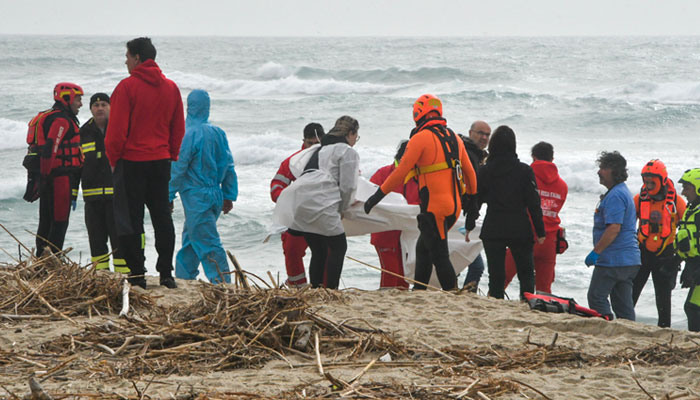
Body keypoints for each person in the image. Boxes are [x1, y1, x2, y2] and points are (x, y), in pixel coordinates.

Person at [364, 94, 477, 291]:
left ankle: (453, 293)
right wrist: (473, 201)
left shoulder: (420, 138)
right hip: (454, 207)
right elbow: (470, 173)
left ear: (418, 114)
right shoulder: (454, 138)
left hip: (435, 208)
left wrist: (376, 196)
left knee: (440, 255)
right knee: (423, 248)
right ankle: (419, 290)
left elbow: (401, 172)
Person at [105, 37, 185, 289]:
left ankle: (137, 273)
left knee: (131, 220)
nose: (125, 60)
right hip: (161, 161)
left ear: (138, 58)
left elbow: (116, 131)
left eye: (127, 56)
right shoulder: (171, 88)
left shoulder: (127, 87)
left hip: (131, 162)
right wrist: (171, 154)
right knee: (162, 217)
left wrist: (112, 159)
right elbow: (178, 128)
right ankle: (166, 274)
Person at [283, 116, 360, 289]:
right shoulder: (348, 152)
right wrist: (342, 209)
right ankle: (331, 290)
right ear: (350, 133)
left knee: (319, 250)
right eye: (356, 136)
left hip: (301, 201)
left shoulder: (321, 149)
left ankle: (316, 290)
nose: (356, 140)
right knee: (339, 247)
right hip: (321, 204)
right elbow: (347, 187)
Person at [169, 89, 237, 284]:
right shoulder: (218, 132)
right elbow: (229, 166)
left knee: (208, 243)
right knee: (192, 240)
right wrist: (228, 194)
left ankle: (223, 283)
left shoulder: (187, 133)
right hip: (215, 193)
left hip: (196, 196)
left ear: (188, 107)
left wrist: (168, 193)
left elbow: (178, 167)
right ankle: (184, 278)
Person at [475, 126, 545, 300]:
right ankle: (526, 303)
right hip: (519, 227)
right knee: (526, 273)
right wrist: (540, 231)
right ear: (513, 145)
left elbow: (475, 199)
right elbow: (534, 203)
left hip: (493, 227)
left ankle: (496, 304)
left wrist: (469, 223)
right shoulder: (524, 170)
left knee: (496, 276)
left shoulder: (485, 170)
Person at [504, 142, 568, 294]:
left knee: (502, 278)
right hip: (549, 240)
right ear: (552, 158)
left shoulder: (524, 176)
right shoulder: (562, 186)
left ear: (533, 157)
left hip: (524, 236)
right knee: (544, 289)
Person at [30, 82, 84, 256]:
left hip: (48, 178)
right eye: (78, 99)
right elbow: (51, 148)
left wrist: (42, 179)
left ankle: (41, 259)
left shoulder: (51, 116)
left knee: (45, 221)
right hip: (59, 179)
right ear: (67, 98)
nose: (80, 104)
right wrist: (45, 177)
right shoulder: (61, 120)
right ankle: (52, 260)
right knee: (59, 222)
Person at [585, 151, 640, 321]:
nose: (599, 171)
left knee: (596, 297)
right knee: (623, 305)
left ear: (615, 171)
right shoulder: (621, 191)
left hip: (614, 260)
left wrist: (596, 252)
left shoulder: (616, 195)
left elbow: (614, 228)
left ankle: (606, 327)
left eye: (603, 168)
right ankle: (628, 333)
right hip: (629, 260)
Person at [631, 159, 685, 328]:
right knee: (631, 292)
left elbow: (688, 228)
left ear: (662, 180)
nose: (648, 185)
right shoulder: (639, 200)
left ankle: (664, 329)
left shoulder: (677, 202)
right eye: (645, 181)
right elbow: (625, 223)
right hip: (642, 253)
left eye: (651, 181)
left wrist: (680, 256)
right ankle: (623, 323)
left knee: (663, 298)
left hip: (666, 255)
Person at [270, 122, 325, 287]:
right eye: (310, 143)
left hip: (322, 214)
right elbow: (276, 187)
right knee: (292, 249)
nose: (313, 147)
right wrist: (288, 200)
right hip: (298, 216)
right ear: (303, 141)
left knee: (328, 252)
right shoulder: (293, 162)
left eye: (317, 143)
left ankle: (324, 287)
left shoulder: (330, 159)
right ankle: (297, 286)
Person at [79, 93, 129, 273]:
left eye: (104, 104)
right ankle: (101, 276)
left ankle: (124, 277)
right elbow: (77, 165)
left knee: (119, 240)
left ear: (111, 107)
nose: (99, 108)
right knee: (96, 240)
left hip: (117, 198)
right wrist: (71, 194)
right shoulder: (83, 133)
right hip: (92, 200)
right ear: (91, 108)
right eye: (96, 105)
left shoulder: (120, 129)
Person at [369, 140, 420, 289]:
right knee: (391, 275)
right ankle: (385, 307)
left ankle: (399, 309)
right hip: (385, 234)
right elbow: (368, 199)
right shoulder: (383, 174)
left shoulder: (418, 177)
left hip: (409, 236)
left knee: (404, 278)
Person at [459, 120, 491, 291]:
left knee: (472, 263)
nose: (484, 137)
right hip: (459, 215)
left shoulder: (478, 156)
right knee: (476, 265)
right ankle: (456, 294)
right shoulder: (466, 154)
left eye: (487, 135)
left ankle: (461, 295)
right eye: (480, 133)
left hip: (466, 216)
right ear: (470, 133)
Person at [675, 168, 700, 332]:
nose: (683, 193)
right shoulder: (691, 211)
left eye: (687, 188)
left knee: (693, 308)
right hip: (694, 265)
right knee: (692, 308)